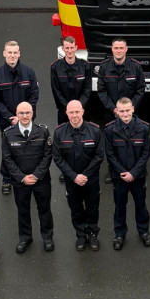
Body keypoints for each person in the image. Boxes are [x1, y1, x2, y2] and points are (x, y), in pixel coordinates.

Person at [0, 102, 55, 253]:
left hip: (41, 180)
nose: (24, 116)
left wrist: (36, 175)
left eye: (27, 113)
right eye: (21, 113)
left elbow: (47, 156)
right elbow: (7, 159)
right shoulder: (8, 133)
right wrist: (22, 177)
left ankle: (47, 237)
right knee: (22, 210)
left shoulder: (43, 131)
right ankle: (25, 237)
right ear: (16, 115)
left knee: (44, 209)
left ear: (32, 113)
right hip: (20, 182)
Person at [53, 100, 105, 251]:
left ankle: (92, 233)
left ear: (82, 112)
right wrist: (74, 176)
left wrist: (85, 175)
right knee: (75, 208)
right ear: (66, 114)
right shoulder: (59, 132)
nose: (74, 115)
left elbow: (99, 156)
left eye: (77, 112)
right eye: (71, 112)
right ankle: (81, 234)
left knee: (93, 207)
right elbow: (58, 158)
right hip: (72, 179)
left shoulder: (94, 130)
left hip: (91, 179)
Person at [0, 41, 39, 195]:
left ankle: (29, 175)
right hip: (7, 122)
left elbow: (34, 95)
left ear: (19, 53)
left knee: (29, 149)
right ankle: (7, 179)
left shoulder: (29, 72)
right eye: (9, 52)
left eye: (15, 52)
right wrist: (11, 117)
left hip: (27, 120)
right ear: (4, 53)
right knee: (8, 150)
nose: (12, 56)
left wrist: (24, 115)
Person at [104, 97, 150, 250]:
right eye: (121, 111)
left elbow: (146, 152)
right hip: (119, 177)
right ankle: (119, 234)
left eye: (127, 110)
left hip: (138, 176)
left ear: (132, 109)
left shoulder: (143, 128)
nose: (125, 114)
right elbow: (110, 154)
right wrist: (122, 172)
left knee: (141, 205)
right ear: (116, 112)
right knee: (119, 206)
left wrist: (134, 172)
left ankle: (144, 231)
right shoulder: (110, 130)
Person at [96, 38, 145, 121]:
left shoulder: (136, 67)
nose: (118, 51)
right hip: (111, 114)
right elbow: (102, 91)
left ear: (126, 49)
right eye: (116, 48)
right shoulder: (104, 67)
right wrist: (114, 109)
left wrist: (128, 109)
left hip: (131, 114)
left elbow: (140, 89)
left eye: (121, 48)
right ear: (112, 49)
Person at [50, 35, 93, 125]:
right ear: (63, 49)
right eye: (67, 48)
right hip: (64, 112)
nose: (70, 51)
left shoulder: (85, 66)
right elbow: (56, 91)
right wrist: (68, 109)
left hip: (82, 112)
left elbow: (87, 89)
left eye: (72, 47)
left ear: (76, 48)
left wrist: (78, 109)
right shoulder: (55, 68)